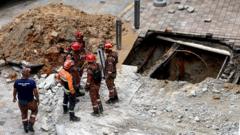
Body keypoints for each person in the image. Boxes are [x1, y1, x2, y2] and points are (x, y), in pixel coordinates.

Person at [13, 68, 39, 133]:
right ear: (27, 74)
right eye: (29, 72)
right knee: (35, 110)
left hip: (21, 102)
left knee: (24, 114)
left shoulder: (17, 82)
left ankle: (25, 128)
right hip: (30, 102)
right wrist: (38, 99)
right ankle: (30, 124)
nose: (30, 73)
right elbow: (35, 92)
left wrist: (14, 98)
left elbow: (14, 91)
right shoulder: (32, 82)